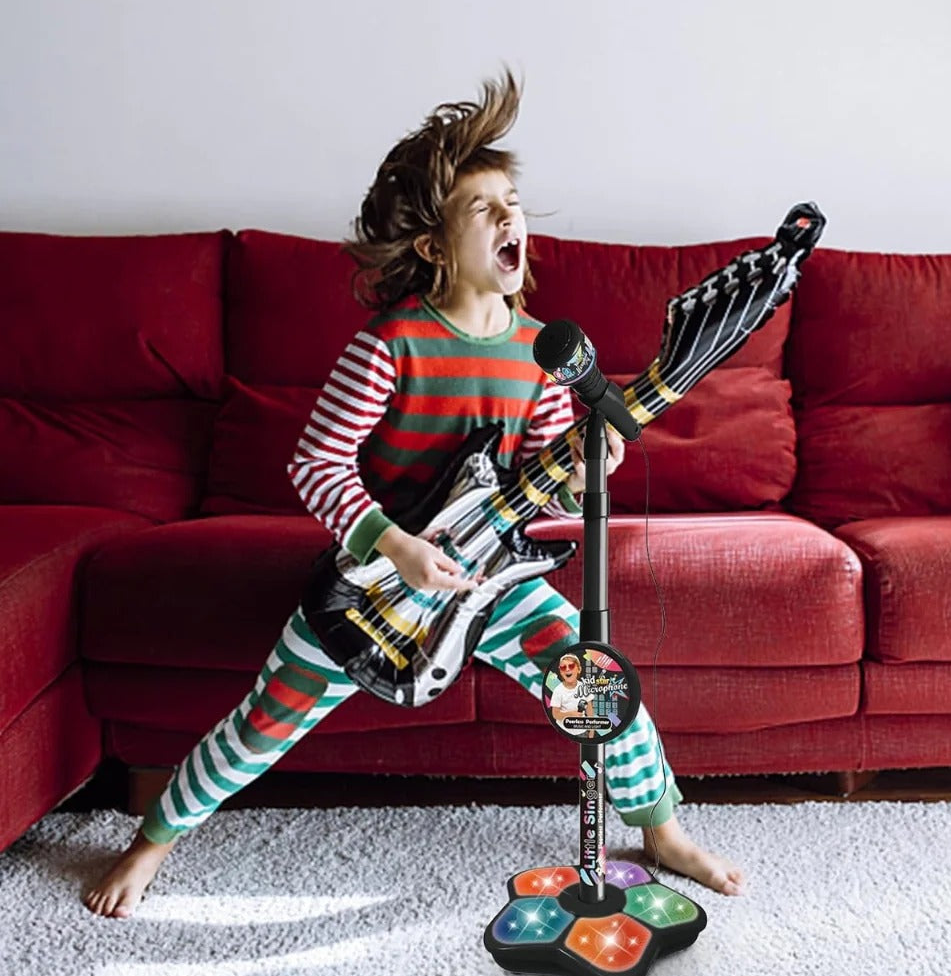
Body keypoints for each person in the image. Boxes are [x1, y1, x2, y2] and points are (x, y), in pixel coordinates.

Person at [84, 69, 744, 919]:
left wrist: (589, 467)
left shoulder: (544, 351)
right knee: (264, 723)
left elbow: (542, 479)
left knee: (598, 682)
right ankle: (151, 841)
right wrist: (394, 546)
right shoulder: (390, 345)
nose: (511, 219)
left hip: (492, 579)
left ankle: (661, 830)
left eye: (513, 203)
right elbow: (316, 463)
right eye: (484, 209)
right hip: (376, 589)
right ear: (434, 247)